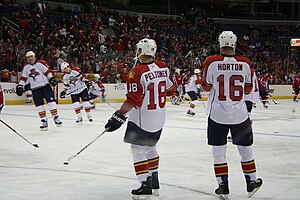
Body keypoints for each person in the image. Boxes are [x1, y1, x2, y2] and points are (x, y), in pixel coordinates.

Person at [104, 38, 175, 199]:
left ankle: (145, 184)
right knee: (150, 148)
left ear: (141, 51)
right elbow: (171, 90)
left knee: (137, 150)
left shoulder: (135, 72)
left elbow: (133, 100)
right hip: (159, 117)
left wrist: (119, 115)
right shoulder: (163, 67)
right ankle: (154, 180)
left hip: (143, 118)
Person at [201, 31, 262, 199]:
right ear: (235, 44)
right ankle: (251, 181)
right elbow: (248, 88)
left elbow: (206, 87)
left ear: (220, 43)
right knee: (246, 150)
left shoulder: (211, 61)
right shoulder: (245, 63)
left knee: (219, 152)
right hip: (240, 115)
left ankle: (223, 186)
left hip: (217, 115)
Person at [16, 51, 62, 131]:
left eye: (31, 56)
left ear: (34, 56)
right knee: (39, 106)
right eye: (28, 57)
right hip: (35, 89)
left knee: (51, 102)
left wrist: (51, 78)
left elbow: (47, 72)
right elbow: (24, 78)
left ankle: (56, 118)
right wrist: (20, 85)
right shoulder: (26, 68)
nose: (30, 58)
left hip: (45, 87)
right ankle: (44, 122)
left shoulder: (40, 63)